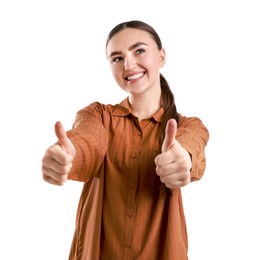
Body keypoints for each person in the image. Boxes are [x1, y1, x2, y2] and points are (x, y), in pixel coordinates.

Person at [41, 20, 209, 260]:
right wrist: (69, 156)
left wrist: (183, 159)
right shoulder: (97, 115)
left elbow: (192, 143)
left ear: (161, 57)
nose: (128, 64)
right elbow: (88, 141)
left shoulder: (187, 126)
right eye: (117, 58)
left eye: (139, 50)